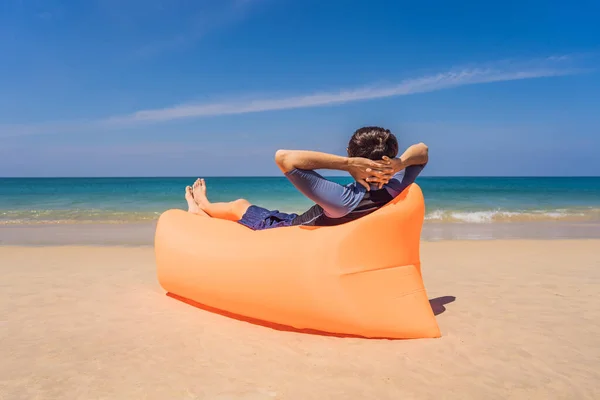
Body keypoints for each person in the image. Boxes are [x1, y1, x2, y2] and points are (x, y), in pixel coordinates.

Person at [184, 126, 429, 230]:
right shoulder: (398, 187)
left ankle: (202, 207)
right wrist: (400, 164)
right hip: (304, 219)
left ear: (351, 155)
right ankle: (204, 207)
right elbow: (423, 150)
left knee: (240, 205)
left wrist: (347, 165)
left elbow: (284, 158)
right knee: (248, 206)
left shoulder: (344, 199)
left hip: (286, 231)